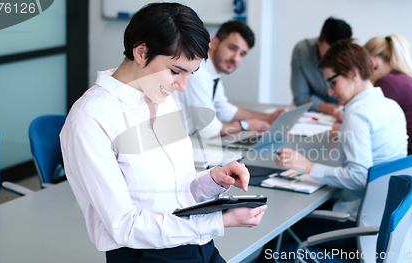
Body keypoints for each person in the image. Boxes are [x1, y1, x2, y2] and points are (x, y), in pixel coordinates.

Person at [60, 3, 267, 263]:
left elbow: (176, 191)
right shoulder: (91, 119)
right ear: (141, 51)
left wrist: (211, 180)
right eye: (175, 71)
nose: (182, 86)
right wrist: (219, 220)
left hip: (198, 245)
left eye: (190, 74)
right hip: (146, 256)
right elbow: (124, 226)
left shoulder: (162, 97)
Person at [261, 39, 408, 260]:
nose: (330, 92)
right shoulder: (391, 106)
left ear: (353, 74)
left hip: (354, 226)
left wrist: (307, 166)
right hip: (384, 221)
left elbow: (359, 176)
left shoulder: (357, 113)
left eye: (333, 82)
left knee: (277, 231)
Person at [364, 34, 412, 220]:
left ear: (372, 63)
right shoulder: (404, 78)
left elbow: (373, 131)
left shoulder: (387, 83)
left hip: (410, 171)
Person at [179, 20, 285, 138]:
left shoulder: (212, 73)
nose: (235, 58)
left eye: (242, 54)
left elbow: (224, 110)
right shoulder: (198, 73)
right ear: (214, 43)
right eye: (232, 48)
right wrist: (245, 125)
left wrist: (268, 118)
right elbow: (209, 131)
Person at [290, 17, 352, 118]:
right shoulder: (302, 52)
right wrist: (332, 109)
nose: (334, 57)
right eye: (329, 52)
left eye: (339, 53)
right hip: (316, 116)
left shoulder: (355, 57)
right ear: (319, 41)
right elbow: (300, 97)